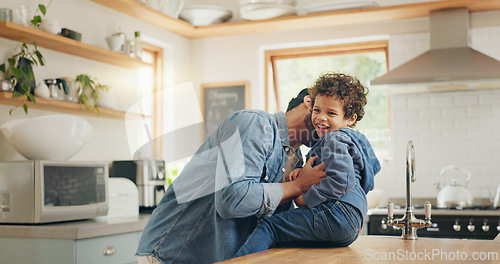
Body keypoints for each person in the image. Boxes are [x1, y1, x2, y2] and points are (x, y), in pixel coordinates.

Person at [136, 88, 327, 264]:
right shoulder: (256, 123)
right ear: (309, 102)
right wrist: (296, 187)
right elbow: (232, 199)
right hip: (173, 254)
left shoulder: (297, 162)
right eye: (323, 111)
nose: (327, 123)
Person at [234, 72, 381, 257]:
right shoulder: (355, 142)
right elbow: (361, 178)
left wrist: (306, 198)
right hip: (353, 221)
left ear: (350, 119)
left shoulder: (334, 139)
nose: (321, 118)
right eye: (317, 110)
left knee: (269, 226)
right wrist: (300, 174)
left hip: (335, 213)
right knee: (285, 236)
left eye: (331, 113)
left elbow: (341, 181)